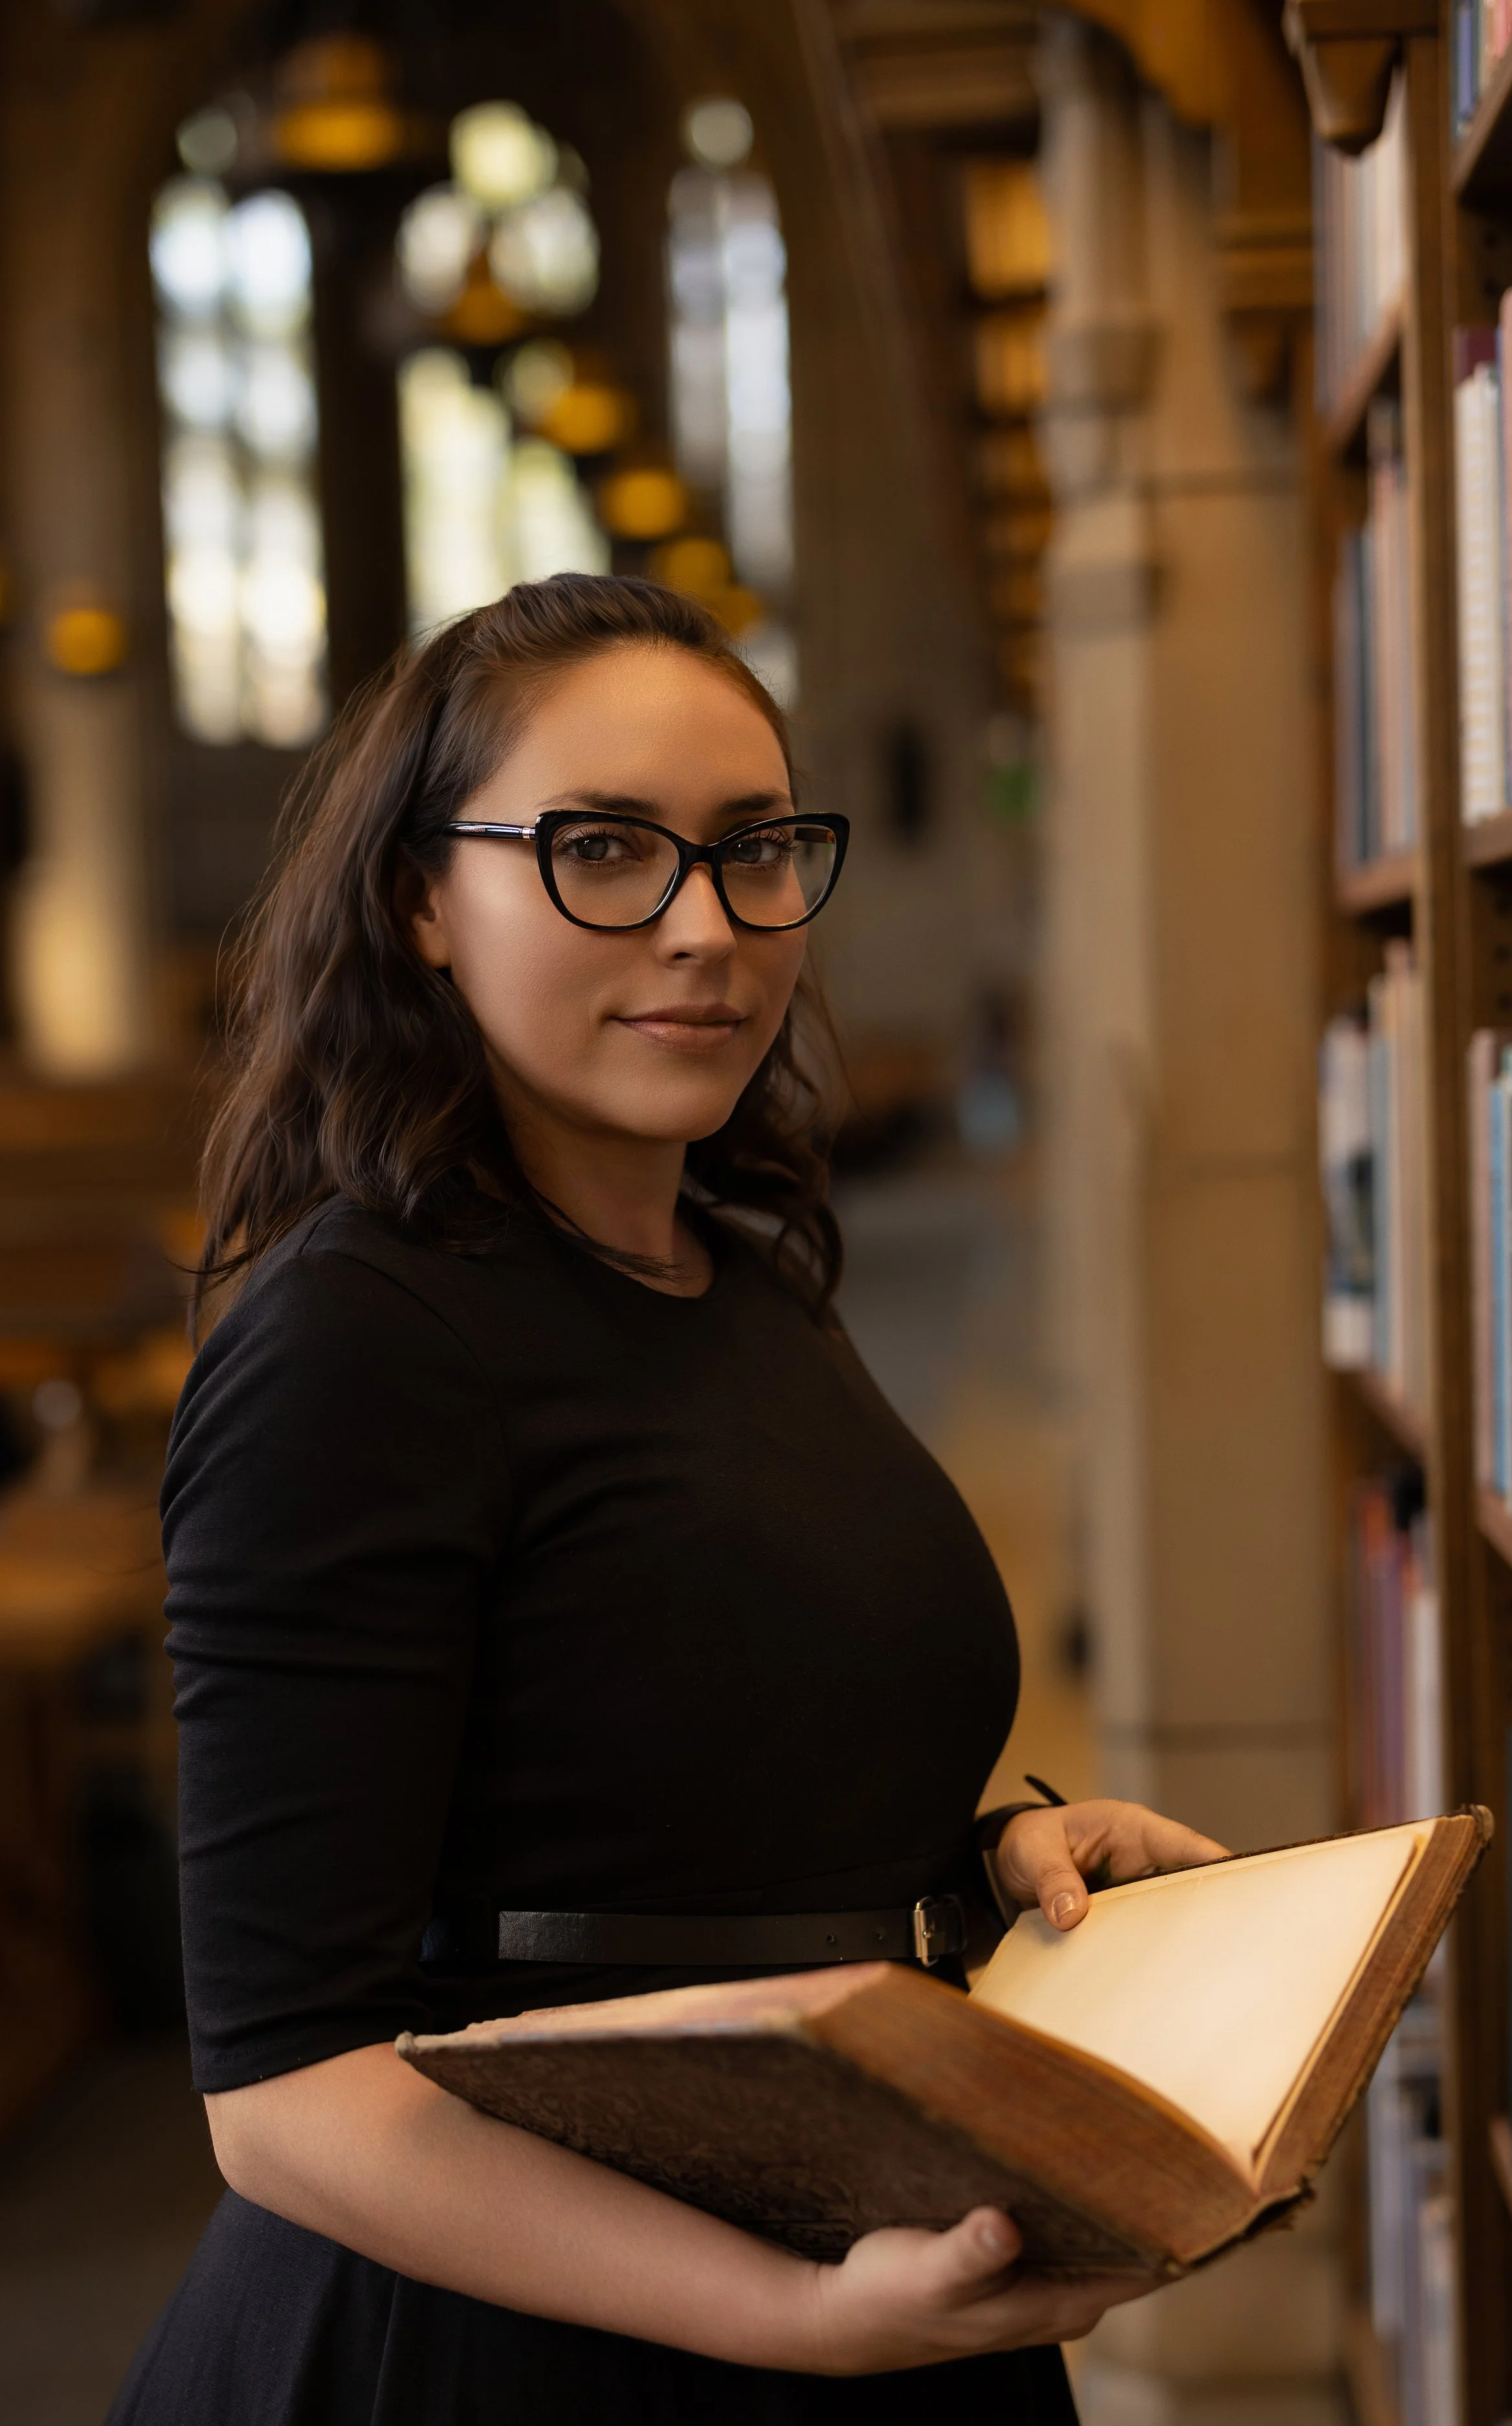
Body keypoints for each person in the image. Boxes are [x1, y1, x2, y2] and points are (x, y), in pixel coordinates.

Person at [108, 575, 1225, 2426]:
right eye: (601, 850)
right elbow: (288, 2098)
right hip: (531, 2345)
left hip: (846, 2246)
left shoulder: (741, 1266)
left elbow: (648, 1748)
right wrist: (789, 2322)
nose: (705, 926)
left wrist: (977, 1853)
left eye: (753, 848)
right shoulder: (360, 1340)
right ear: (419, 901)